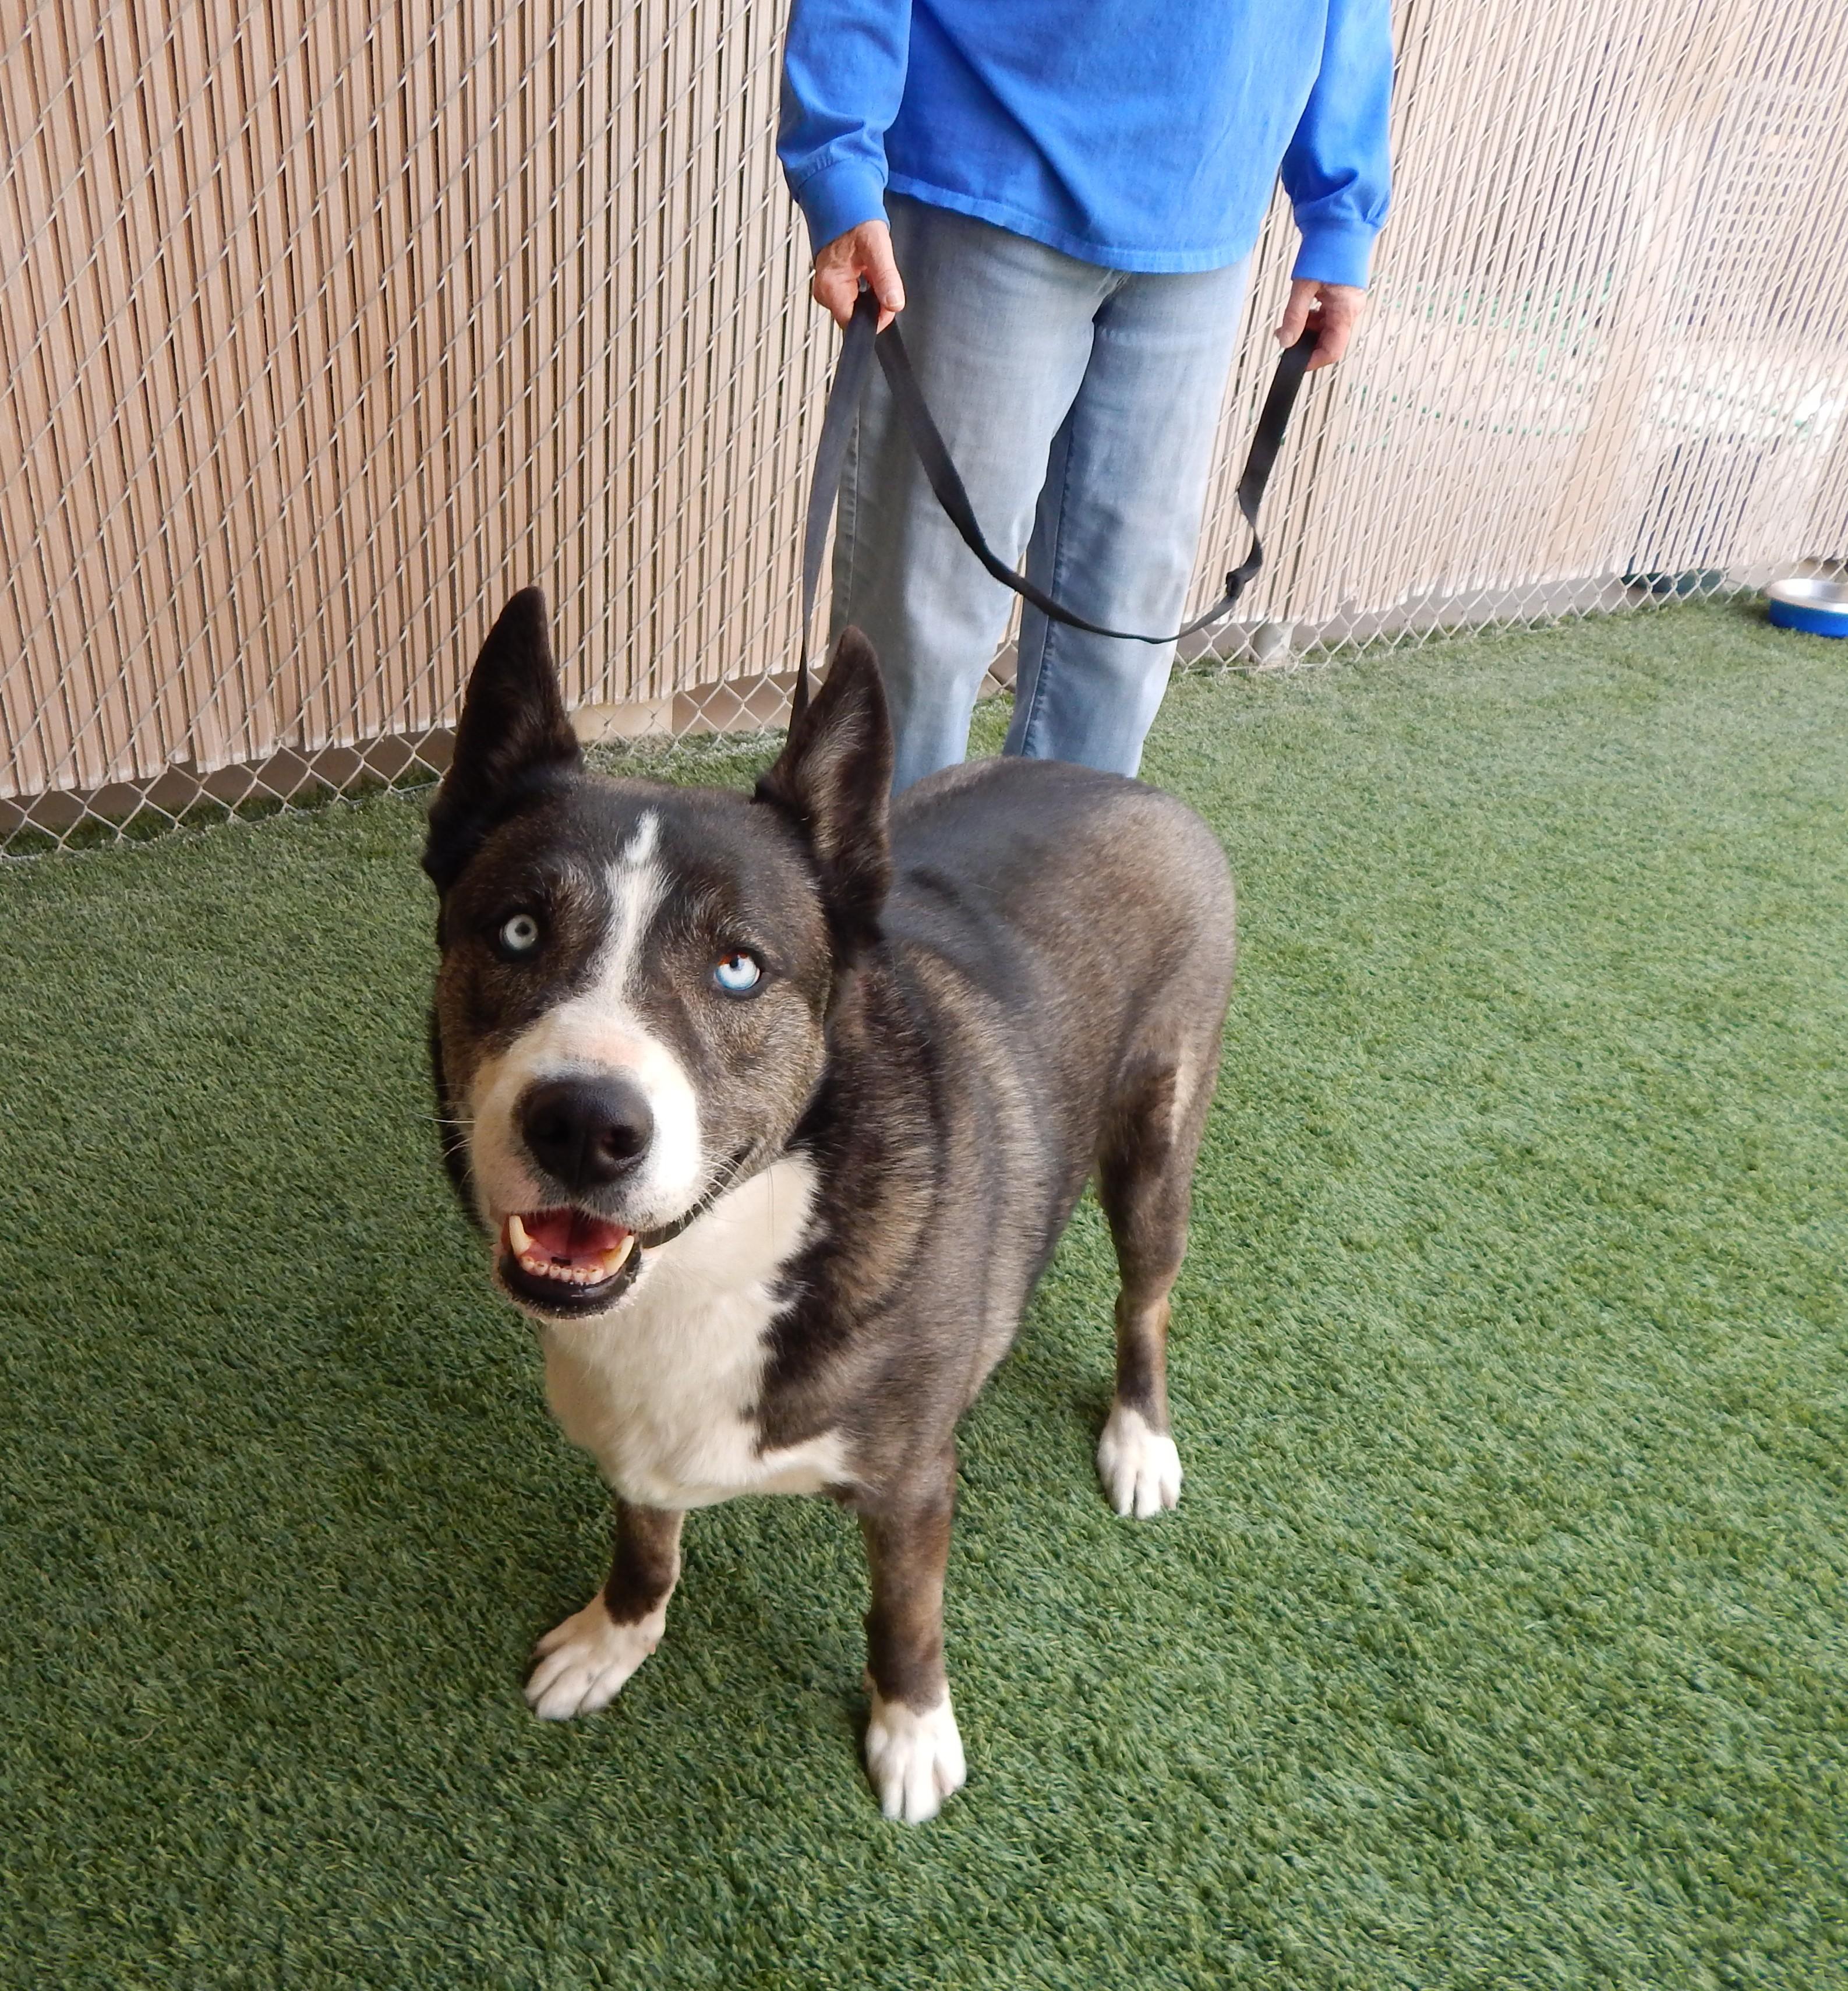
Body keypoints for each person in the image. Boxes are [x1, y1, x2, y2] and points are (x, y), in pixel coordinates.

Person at [778, 2, 1393, 793]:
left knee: (1119, 634)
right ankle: (881, 911)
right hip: (984, 160)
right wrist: (838, 161)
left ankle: (1061, 906)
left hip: (1204, 209)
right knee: (919, 623)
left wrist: (1340, 214)